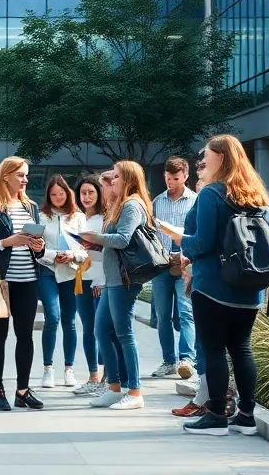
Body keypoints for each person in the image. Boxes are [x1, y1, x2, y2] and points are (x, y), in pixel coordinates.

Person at [163, 135, 269, 437]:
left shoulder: (212, 194)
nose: (201, 161)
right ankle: (247, 416)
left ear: (222, 158)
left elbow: (200, 244)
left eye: (206, 156)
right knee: (241, 348)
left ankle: (215, 416)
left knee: (213, 348)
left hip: (213, 285)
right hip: (251, 287)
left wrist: (177, 239)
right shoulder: (260, 198)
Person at [0, 156, 45, 412]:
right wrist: (5, 242)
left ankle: (22, 390)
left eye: (26, 175)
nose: (25, 180)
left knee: (25, 335)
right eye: (21, 175)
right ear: (6, 176)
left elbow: (35, 244)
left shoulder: (31, 207)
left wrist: (39, 246)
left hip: (28, 280)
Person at [80, 161, 154, 411]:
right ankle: (114, 387)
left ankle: (134, 391)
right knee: (102, 331)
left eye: (116, 176)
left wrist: (95, 238)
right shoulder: (121, 204)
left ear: (129, 179)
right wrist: (98, 244)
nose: (112, 180)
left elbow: (123, 239)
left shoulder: (132, 205)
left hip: (124, 279)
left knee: (124, 334)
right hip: (114, 278)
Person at [36, 174, 90, 389]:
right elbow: (36, 247)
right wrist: (52, 255)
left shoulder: (77, 216)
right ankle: (48, 369)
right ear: (48, 196)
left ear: (68, 194)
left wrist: (71, 254)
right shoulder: (41, 216)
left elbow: (84, 248)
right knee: (52, 317)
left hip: (70, 272)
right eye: (53, 194)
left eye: (61, 194)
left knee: (70, 321)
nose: (58, 198)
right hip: (48, 270)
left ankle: (69, 369)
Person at [150, 157, 197, 380]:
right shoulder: (157, 202)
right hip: (161, 265)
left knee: (187, 313)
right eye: (168, 179)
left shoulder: (195, 201)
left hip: (185, 265)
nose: (171, 183)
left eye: (176, 179)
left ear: (186, 177)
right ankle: (168, 360)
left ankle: (187, 359)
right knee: (162, 315)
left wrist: (186, 255)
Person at [71, 175, 108, 397]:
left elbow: (103, 254)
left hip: (98, 282)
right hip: (81, 279)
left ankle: (107, 378)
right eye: (83, 193)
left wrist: (100, 281)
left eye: (91, 192)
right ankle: (93, 377)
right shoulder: (80, 218)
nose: (86, 197)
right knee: (88, 329)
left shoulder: (103, 219)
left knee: (101, 330)